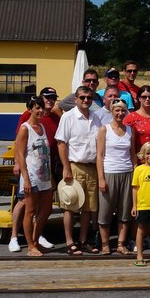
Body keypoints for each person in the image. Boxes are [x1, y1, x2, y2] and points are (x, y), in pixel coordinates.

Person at [10, 87, 60, 252]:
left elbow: (45, 153)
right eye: (36, 108)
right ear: (30, 109)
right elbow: (20, 153)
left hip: (44, 174)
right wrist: (25, 178)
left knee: (47, 209)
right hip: (31, 175)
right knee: (30, 211)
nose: (40, 110)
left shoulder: (43, 127)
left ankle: (36, 238)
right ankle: (30, 245)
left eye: (41, 107)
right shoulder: (25, 128)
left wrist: (51, 176)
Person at [55, 86, 102, 256]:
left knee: (88, 208)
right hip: (75, 165)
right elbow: (61, 143)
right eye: (82, 97)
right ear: (75, 99)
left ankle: (83, 241)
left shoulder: (96, 118)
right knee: (70, 206)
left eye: (89, 98)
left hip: (92, 167)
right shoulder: (68, 117)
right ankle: (69, 242)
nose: (86, 100)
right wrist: (66, 167)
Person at [96, 98, 137, 255]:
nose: (120, 113)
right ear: (112, 112)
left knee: (125, 211)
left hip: (127, 173)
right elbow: (99, 156)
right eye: (117, 110)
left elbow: (132, 154)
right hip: (109, 173)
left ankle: (121, 244)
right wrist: (101, 178)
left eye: (122, 110)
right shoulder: (104, 130)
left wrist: (134, 173)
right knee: (105, 211)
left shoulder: (129, 130)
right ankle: (105, 244)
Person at [123, 85, 150, 153]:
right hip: (138, 157)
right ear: (139, 98)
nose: (147, 99)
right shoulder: (131, 117)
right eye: (144, 97)